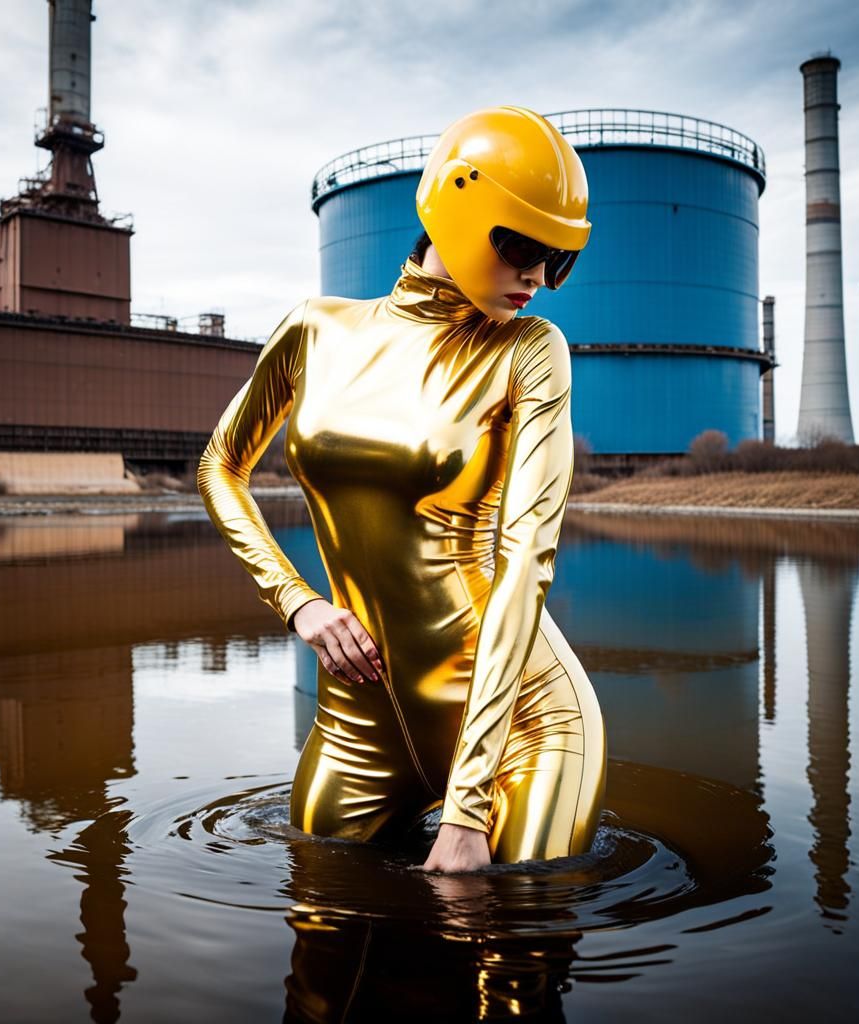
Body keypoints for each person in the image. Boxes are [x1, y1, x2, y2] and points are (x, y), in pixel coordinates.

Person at [198, 105, 606, 873]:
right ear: (455, 206)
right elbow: (220, 466)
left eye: (560, 261)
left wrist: (470, 803)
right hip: (361, 715)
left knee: (514, 955)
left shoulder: (529, 352)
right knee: (321, 945)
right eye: (522, 247)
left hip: (521, 722)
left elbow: (526, 562)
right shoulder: (315, 331)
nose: (539, 281)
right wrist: (299, 602)